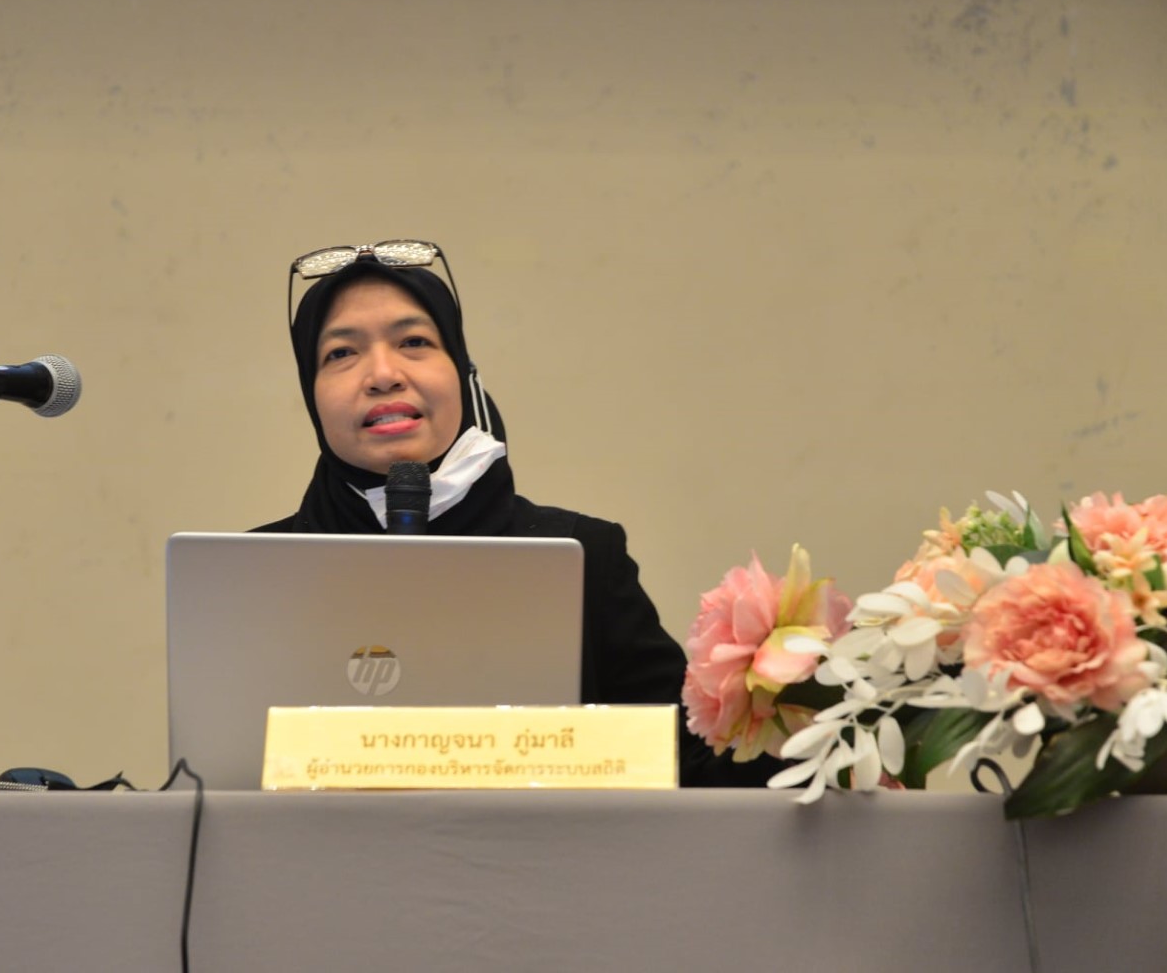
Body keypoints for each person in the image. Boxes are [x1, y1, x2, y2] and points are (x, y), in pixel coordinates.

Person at [256, 241, 777, 787]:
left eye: (414, 342)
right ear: (311, 394)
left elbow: (680, 764)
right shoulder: (254, 576)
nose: (383, 374)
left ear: (461, 371)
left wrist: (805, 712)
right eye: (341, 353)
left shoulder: (582, 556)